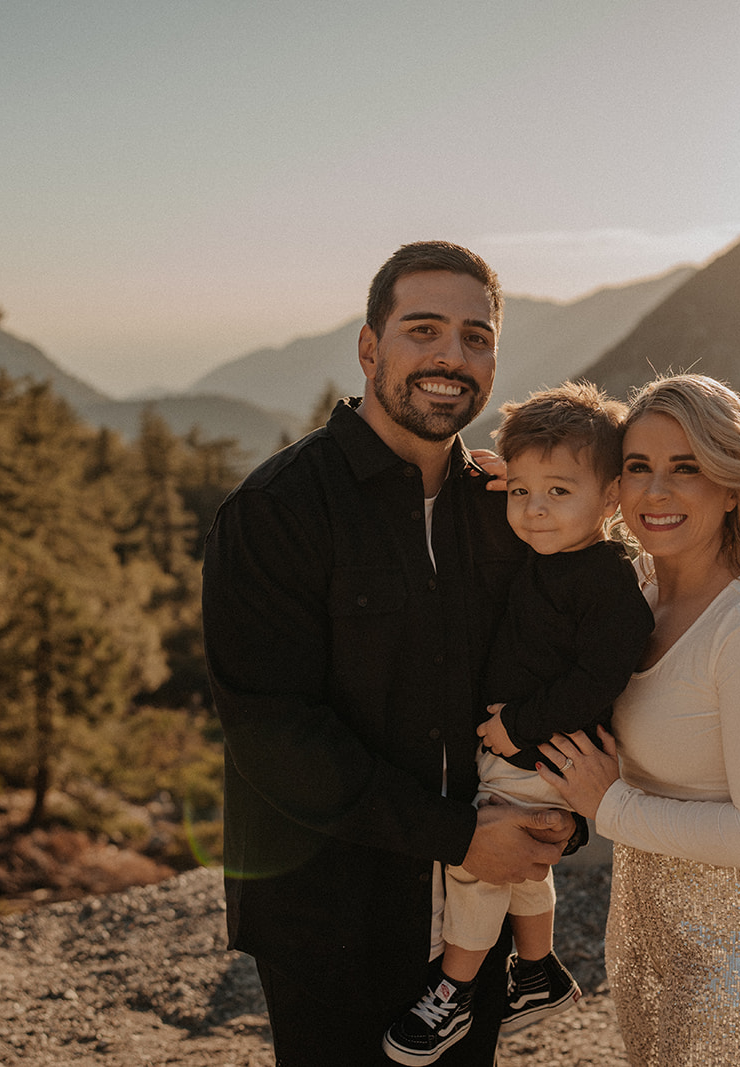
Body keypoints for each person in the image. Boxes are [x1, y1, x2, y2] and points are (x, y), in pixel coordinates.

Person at [201, 241, 580, 1066]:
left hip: (467, 922)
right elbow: (274, 731)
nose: (453, 355)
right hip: (329, 917)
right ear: (371, 349)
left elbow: (549, 660)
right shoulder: (277, 510)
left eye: (476, 337)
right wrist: (456, 834)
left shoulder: (500, 511)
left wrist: (563, 811)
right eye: (425, 330)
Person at [537, 373, 740, 1065]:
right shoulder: (633, 589)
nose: (655, 491)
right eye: (638, 467)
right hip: (647, 923)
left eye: (686, 468)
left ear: (732, 484)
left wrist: (608, 804)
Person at [383, 382, 655, 1064]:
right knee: (528, 862)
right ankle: (536, 971)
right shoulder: (558, 550)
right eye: (520, 493)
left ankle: (453, 990)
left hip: (543, 750)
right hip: (534, 753)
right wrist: (499, 477)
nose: (534, 511)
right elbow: (536, 487)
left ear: (612, 495)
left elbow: (601, 674)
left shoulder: (604, 579)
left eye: (558, 493)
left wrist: (521, 725)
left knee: (479, 866)